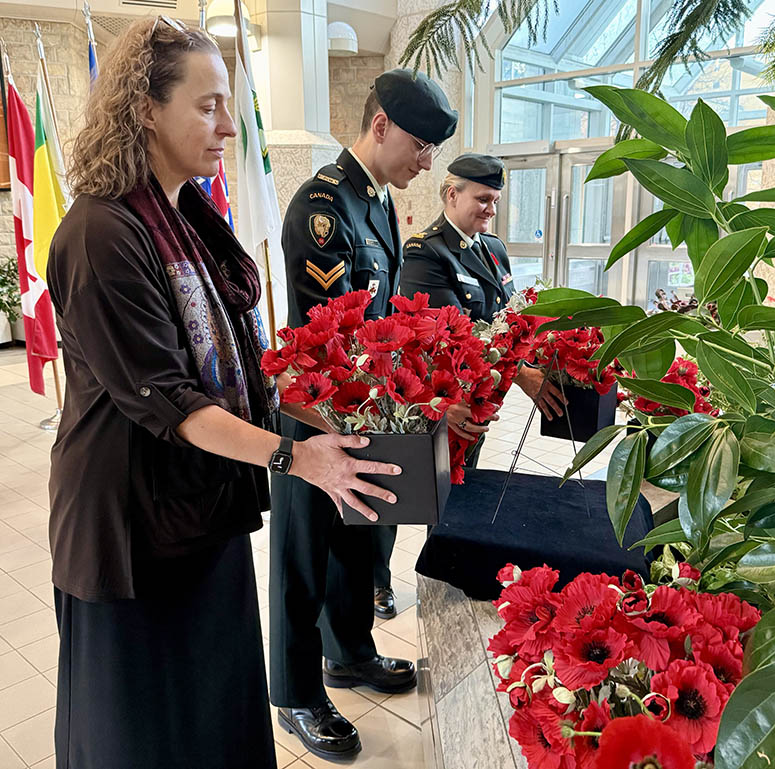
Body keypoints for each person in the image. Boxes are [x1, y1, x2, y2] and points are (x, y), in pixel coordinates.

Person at [46, 18, 399, 769]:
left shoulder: (187, 221)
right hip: (131, 529)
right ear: (145, 106)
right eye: (208, 105)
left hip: (200, 510)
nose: (227, 126)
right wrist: (299, 458)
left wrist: (340, 405)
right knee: (145, 730)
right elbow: (171, 396)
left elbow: (240, 367)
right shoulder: (100, 233)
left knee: (215, 713)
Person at [268, 68, 466, 761]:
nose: (427, 160)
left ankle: (348, 655)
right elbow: (327, 335)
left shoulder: (376, 203)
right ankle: (295, 692)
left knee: (355, 543)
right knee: (303, 555)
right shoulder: (323, 206)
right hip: (316, 417)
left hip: (365, 412)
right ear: (380, 125)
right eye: (419, 143)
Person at [400, 153, 567, 460]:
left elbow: (511, 321)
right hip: (447, 406)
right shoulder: (425, 252)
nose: (491, 210)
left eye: (496, 201)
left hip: (484, 396)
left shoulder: (493, 247)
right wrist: (522, 374)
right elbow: (448, 342)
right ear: (453, 194)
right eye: (483, 199)